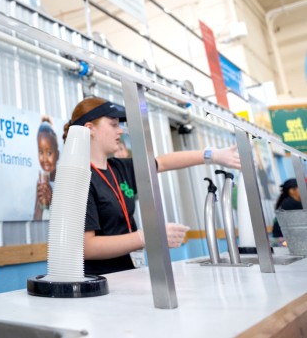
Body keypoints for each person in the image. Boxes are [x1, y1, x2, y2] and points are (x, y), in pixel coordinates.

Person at [63, 96, 241, 275]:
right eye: (113, 124)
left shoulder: (119, 168)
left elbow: (163, 162)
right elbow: (87, 247)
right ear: (90, 129)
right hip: (99, 281)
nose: (121, 131)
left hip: (127, 273)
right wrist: (145, 236)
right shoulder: (80, 176)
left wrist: (211, 155)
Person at [34, 116, 59, 220]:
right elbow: (36, 219)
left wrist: (52, 200)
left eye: (49, 153)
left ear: (57, 154)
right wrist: (41, 204)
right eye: (41, 152)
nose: (44, 159)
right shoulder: (40, 183)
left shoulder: (63, 180)